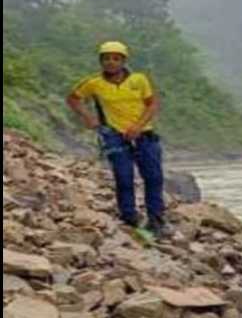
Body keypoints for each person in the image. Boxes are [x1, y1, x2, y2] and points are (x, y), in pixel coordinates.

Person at [66, 41, 170, 238]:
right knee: (123, 177)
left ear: (124, 61)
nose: (111, 62)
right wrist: (88, 117)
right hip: (114, 135)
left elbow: (152, 103)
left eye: (116, 58)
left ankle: (156, 219)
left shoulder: (139, 80)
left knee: (154, 177)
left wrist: (138, 126)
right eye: (106, 59)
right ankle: (129, 217)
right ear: (101, 61)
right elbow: (73, 98)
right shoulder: (94, 83)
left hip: (144, 134)